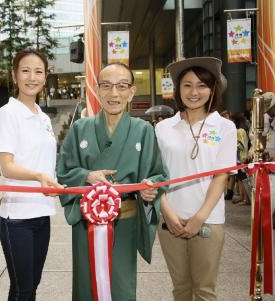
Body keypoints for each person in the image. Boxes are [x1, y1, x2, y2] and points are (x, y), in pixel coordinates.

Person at [57, 62, 168, 300]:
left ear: (131, 91)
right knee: (86, 285)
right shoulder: (79, 128)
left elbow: (158, 174)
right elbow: (63, 172)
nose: (114, 93)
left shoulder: (143, 130)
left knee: (121, 287)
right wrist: (86, 175)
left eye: (121, 86)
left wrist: (150, 191)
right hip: (86, 221)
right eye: (106, 86)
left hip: (125, 222)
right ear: (97, 90)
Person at [155, 57, 237, 301]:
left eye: (202, 85)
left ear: (212, 89)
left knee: (204, 291)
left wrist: (199, 218)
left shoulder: (224, 127)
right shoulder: (163, 128)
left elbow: (221, 177)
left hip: (208, 219)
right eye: (187, 85)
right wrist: (168, 214)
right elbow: (155, 175)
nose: (194, 92)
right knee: (180, 288)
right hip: (170, 220)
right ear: (178, 89)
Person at [0, 48, 63, 300]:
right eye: (25, 71)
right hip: (17, 217)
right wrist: (38, 177)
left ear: (45, 77)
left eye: (38, 72)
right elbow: (7, 166)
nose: (31, 77)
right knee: (24, 290)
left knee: (31, 284)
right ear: (15, 76)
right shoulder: (8, 113)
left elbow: (48, 162)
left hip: (42, 213)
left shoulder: (42, 117)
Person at [262, 92, 275, 229]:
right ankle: (274, 217)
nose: (267, 111)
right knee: (273, 187)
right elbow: (263, 135)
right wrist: (263, 149)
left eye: (269, 108)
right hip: (271, 157)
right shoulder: (266, 117)